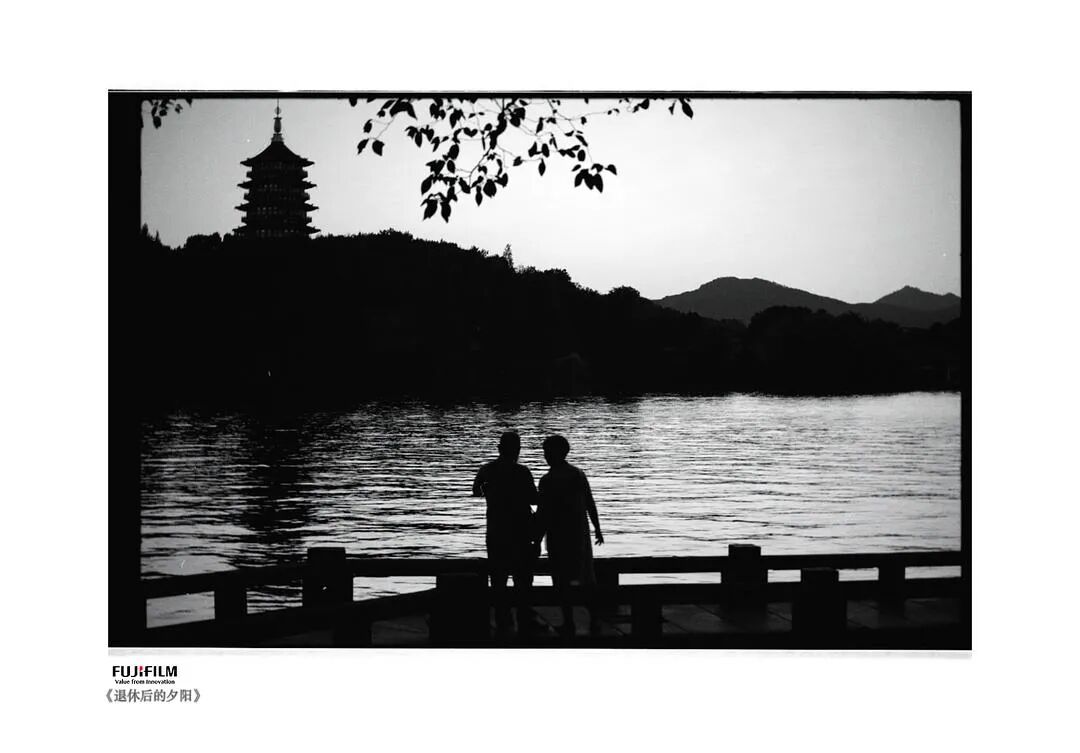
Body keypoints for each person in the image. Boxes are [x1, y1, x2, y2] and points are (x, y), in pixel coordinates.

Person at [472, 431, 541, 634]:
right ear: (517, 450)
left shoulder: (486, 470)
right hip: (521, 532)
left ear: (499, 449)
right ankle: (524, 617)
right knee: (523, 579)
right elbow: (534, 499)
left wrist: (491, 492)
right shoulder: (522, 472)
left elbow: (476, 491)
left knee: (498, 577)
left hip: (496, 530)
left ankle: (502, 618)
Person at [535, 434, 604, 638]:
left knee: (561, 581)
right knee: (586, 579)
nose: (545, 455)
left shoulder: (548, 480)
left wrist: (536, 538)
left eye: (547, 452)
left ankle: (569, 622)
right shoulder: (578, 474)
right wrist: (597, 528)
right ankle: (594, 619)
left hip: (558, 536)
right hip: (579, 535)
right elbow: (589, 502)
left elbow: (544, 513)